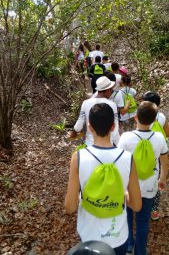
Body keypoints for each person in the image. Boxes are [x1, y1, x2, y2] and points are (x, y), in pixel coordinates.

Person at [65, 103, 142, 255]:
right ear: (113, 127)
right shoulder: (128, 158)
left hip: (89, 237)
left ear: (90, 127)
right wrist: (123, 194)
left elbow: (70, 207)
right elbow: (137, 205)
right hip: (118, 237)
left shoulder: (79, 157)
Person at [118, 101, 168, 255]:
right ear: (154, 121)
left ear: (135, 118)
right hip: (150, 186)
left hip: (128, 187)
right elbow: (165, 162)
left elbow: (118, 161)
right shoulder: (159, 137)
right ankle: (140, 251)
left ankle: (128, 246)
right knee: (143, 220)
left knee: (126, 217)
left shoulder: (126, 137)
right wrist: (162, 179)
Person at [69, 76, 120, 146]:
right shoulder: (112, 105)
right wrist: (118, 145)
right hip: (107, 144)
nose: (111, 92)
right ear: (108, 90)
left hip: (90, 144)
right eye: (111, 90)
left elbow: (79, 125)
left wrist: (74, 133)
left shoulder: (85, 103)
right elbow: (115, 129)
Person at [142, 91, 169, 221]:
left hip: (143, 151)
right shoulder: (162, 117)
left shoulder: (141, 115)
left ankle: (138, 202)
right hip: (159, 150)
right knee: (157, 176)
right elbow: (167, 133)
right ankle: (154, 209)